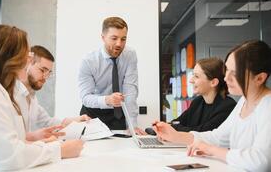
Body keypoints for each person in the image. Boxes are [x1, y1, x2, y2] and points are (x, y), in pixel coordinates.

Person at [0, 25, 84, 172]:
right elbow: (9, 156)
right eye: (27, 55)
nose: (29, 60)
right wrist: (59, 150)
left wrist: (39, 143)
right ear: (8, 56)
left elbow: (11, 145)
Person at [153, 40, 271, 171]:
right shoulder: (244, 101)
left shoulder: (267, 106)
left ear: (260, 78)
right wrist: (176, 136)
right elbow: (218, 137)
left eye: (235, 73)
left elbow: (260, 161)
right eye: (227, 70)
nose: (226, 78)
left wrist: (211, 150)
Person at [78, 16, 145, 134]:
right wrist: (107, 100)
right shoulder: (88, 61)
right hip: (93, 113)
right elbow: (85, 97)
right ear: (103, 38)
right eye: (114, 38)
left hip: (117, 113)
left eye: (123, 39)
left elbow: (130, 91)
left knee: (122, 148)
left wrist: (133, 125)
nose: (119, 44)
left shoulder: (130, 55)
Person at [14, 45, 90, 141]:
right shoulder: (12, 94)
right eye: (42, 70)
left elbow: (48, 122)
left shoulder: (32, 98)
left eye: (49, 73)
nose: (45, 77)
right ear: (28, 63)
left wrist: (76, 120)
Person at [170, 57, 236, 132]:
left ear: (213, 82)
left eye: (196, 76)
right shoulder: (197, 101)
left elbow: (201, 133)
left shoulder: (228, 106)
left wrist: (176, 128)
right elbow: (176, 122)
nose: (191, 80)